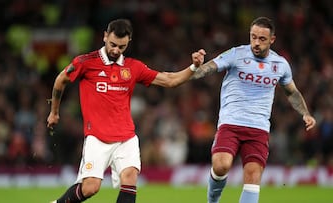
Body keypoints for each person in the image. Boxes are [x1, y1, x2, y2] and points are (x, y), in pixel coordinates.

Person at [46, 18, 204, 203]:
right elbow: (60, 80)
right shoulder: (85, 62)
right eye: (113, 44)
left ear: (129, 42)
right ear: (105, 36)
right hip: (97, 137)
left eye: (121, 46)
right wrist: (54, 112)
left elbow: (170, 80)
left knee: (129, 179)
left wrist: (193, 66)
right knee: (90, 188)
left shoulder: (133, 67)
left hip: (126, 137)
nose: (115, 50)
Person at [190, 16, 316, 203]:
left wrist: (305, 113)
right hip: (231, 123)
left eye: (262, 39)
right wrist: (196, 66)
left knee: (252, 177)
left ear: (272, 40)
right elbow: (206, 70)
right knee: (221, 166)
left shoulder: (280, 64)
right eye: (253, 37)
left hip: (258, 128)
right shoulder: (236, 54)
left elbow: (292, 92)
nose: (256, 43)